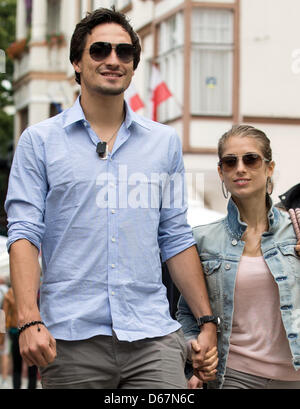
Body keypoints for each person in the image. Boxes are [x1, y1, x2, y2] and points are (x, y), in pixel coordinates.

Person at [5, 8, 217, 389]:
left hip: (153, 338)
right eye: (99, 50)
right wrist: (29, 319)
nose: (112, 60)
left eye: (124, 52)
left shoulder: (163, 143)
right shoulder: (39, 142)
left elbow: (175, 237)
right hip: (70, 342)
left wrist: (206, 322)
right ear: (77, 62)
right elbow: (24, 234)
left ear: (134, 65)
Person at [177, 125, 300, 389]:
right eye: (230, 162)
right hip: (234, 374)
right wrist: (195, 353)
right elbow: (187, 313)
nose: (240, 168)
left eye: (251, 159)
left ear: (269, 168)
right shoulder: (202, 239)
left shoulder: (297, 232)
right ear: (221, 172)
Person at [2, 287, 38, 389]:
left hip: (16, 331)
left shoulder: (10, 293)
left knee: (17, 366)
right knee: (32, 365)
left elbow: (2, 314)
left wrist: (1, 336)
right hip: (33, 330)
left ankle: (17, 386)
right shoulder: (34, 289)